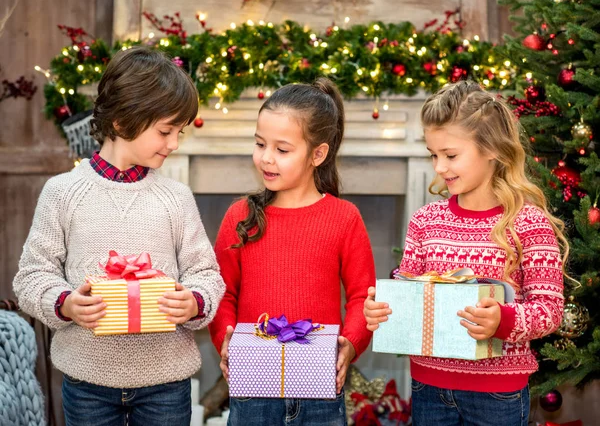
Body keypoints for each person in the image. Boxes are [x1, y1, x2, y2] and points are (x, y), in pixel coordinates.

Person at [13, 46, 225, 426]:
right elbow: (31, 276)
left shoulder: (176, 198)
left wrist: (194, 303)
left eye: (179, 132)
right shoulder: (62, 193)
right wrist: (65, 304)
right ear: (124, 122)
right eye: (166, 130)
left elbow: (206, 274)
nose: (175, 143)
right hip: (87, 384)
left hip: (166, 385)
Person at [364, 80, 568, 426]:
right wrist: (383, 309)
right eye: (434, 155)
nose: (440, 168)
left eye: (451, 155)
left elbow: (550, 311)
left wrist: (502, 321)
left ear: (491, 149)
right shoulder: (426, 221)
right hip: (428, 387)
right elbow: (407, 288)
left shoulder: (529, 224)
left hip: (497, 395)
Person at [209, 78, 376, 425]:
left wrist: (350, 343)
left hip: (321, 393)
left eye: (282, 150)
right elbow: (221, 292)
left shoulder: (345, 219)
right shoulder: (240, 216)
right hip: (252, 392)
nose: (266, 158)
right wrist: (225, 340)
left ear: (318, 153)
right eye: (259, 144)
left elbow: (363, 296)